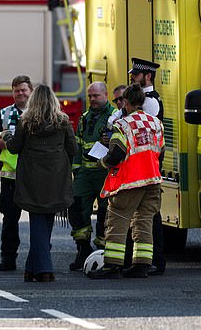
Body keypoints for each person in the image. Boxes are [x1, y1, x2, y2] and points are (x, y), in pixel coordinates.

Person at [0, 84, 76, 282]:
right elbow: (73, 149)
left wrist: (7, 135)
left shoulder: (26, 122)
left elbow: (15, 148)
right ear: (53, 100)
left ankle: (43, 269)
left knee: (37, 222)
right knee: (46, 221)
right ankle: (33, 268)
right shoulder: (63, 121)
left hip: (32, 178)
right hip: (56, 178)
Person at [88, 83, 165, 279]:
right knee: (144, 222)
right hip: (153, 181)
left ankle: (112, 265)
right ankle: (141, 266)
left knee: (117, 220)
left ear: (126, 103)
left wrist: (102, 163)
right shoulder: (156, 123)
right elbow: (161, 151)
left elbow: (117, 155)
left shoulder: (122, 125)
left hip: (130, 181)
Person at [68, 82, 120, 270]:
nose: (92, 99)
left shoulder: (115, 116)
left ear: (105, 95)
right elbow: (78, 145)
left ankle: (101, 251)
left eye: (96, 96)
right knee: (76, 210)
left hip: (105, 172)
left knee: (106, 214)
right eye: (90, 96)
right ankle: (82, 249)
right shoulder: (84, 118)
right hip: (85, 173)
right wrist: (76, 170)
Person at [0, 75, 33, 271]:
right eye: (16, 90)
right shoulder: (4, 113)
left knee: (39, 220)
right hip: (10, 177)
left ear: (31, 91)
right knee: (9, 221)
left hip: (33, 176)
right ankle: (8, 258)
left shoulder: (39, 113)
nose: (20, 93)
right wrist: (10, 141)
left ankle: (39, 257)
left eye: (23, 89)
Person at [129, 57, 166, 276]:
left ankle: (156, 260)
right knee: (141, 214)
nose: (133, 77)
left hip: (149, 166)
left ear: (148, 76)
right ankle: (142, 259)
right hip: (140, 166)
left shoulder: (150, 102)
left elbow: (142, 131)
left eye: (136, 74)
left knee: (151, 214)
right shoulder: (142, 100)